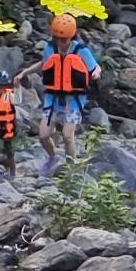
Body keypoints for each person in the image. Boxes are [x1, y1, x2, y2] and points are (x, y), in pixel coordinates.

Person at [31, 13, 100, 175]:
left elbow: (95, 67)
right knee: (43, 135)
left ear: (71, 36)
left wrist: (96, 73)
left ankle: (72, 169)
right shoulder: (51, 48)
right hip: (52, 97)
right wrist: (23, 74)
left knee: (67, 136)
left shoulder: (80, 50)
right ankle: (53, 157)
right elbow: (43, 65)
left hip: (74, 99)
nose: (61, 43)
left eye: (64, 39)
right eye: (58, 39)